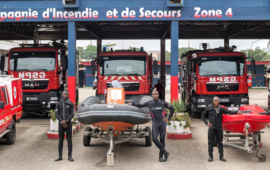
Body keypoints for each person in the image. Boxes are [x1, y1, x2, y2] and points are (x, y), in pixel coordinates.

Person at [128, 90, 174, 162]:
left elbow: (172, 108)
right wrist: (132, 103)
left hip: (162, 124)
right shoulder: (149, 103)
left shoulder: (162, 102)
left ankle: (161, 157)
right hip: (155, 124)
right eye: (154, 94)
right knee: (154, 139)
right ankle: (165, 152)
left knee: (162, 140)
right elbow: (140, 105)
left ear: (158, 95)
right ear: (152, 96)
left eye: (156, 94)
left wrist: (169, 118)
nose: (155, 95)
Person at [201, 96, 242, 162]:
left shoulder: (221, 109)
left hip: (219, 128)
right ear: (213, 101)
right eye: (215, 100)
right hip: (212, 127)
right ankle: (210, 157)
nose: (216, 102)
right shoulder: (209, 109)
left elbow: (229, 111)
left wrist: (237, 112)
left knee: (220, 142)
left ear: (219, 101)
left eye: (217, 100)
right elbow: (202, 115)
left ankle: (221, 157)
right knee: (210, 142)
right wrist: (206, 123)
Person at [55, 90, 75, 162]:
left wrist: (66, 121)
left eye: (66, 94)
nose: (65, 95)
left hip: (68, 124)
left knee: (69, 140)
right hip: (61, 125)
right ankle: (60, 156)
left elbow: (72, 114)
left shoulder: (71, 104)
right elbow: (56, 114)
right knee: (61, 140)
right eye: (64, 93)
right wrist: (61, 121)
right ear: (62, 94)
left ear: (68, 95)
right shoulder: (59, 104)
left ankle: (70, 156)